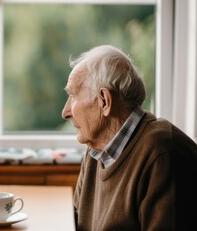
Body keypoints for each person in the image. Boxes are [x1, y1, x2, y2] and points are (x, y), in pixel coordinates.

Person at [62, 45, 197, 230]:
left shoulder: (164, 153)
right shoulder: (96, 150)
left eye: (73, 96)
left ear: (104, 101)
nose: (65, 112)